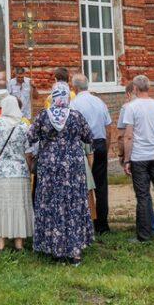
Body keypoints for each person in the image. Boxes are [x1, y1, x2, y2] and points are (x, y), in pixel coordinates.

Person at [30, 82, 93, 264]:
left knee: (52, 203)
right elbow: (89, 137)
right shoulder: (75, 116)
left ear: (53, 96)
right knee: (73, 204)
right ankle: (75, 252)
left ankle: (54, 250)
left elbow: (30, 136)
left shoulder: (44, 116)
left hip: (50, 166)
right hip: (73, 165)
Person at [122, 74, 154, 241]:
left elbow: (128, 136)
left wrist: (127, 159)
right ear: (148, 88)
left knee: (143, 196)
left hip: (139, 157)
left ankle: (144, 235)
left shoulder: (131, 107)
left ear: (135, 89)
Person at [0, 94, 33, 251]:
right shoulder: (23, 126)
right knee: (18, 206)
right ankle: (19, 242)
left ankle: (0, 243)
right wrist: (28, 167)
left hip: (0, 172)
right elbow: (28, 153)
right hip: (19, 172)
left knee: (0, 206)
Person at [69, 74, 113, 234]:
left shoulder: (73, 104)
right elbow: (108, 127)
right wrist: (105, 147)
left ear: (74, 87)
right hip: (100, 143)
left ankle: (86, 222)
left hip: (83, 146)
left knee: (83, 185)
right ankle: (102, 224)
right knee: (101, 186)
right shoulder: (99, 101)